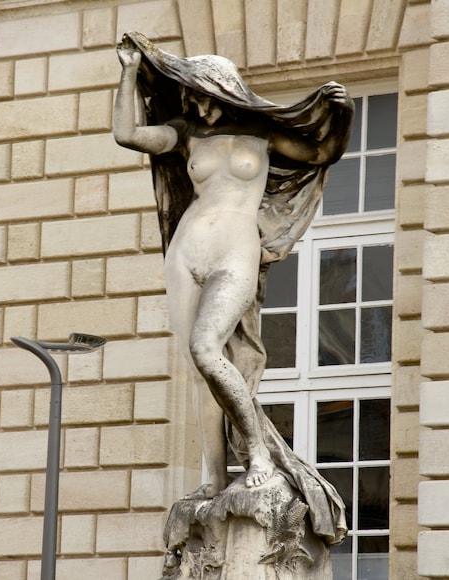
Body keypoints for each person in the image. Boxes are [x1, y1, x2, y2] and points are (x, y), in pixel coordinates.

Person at [113, 31, 351, 544]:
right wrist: (130, 70)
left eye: (202, 93)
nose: (196, 103)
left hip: (234, 251)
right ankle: (215, 479)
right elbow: (128, 134)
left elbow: (324, 151)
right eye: (190, 94)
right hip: (187, 250)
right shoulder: (185, 134)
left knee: (207, 347)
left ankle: (259, 456)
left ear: (223, 89)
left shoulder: (262, 133)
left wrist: (344, 112)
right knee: (199, 374)